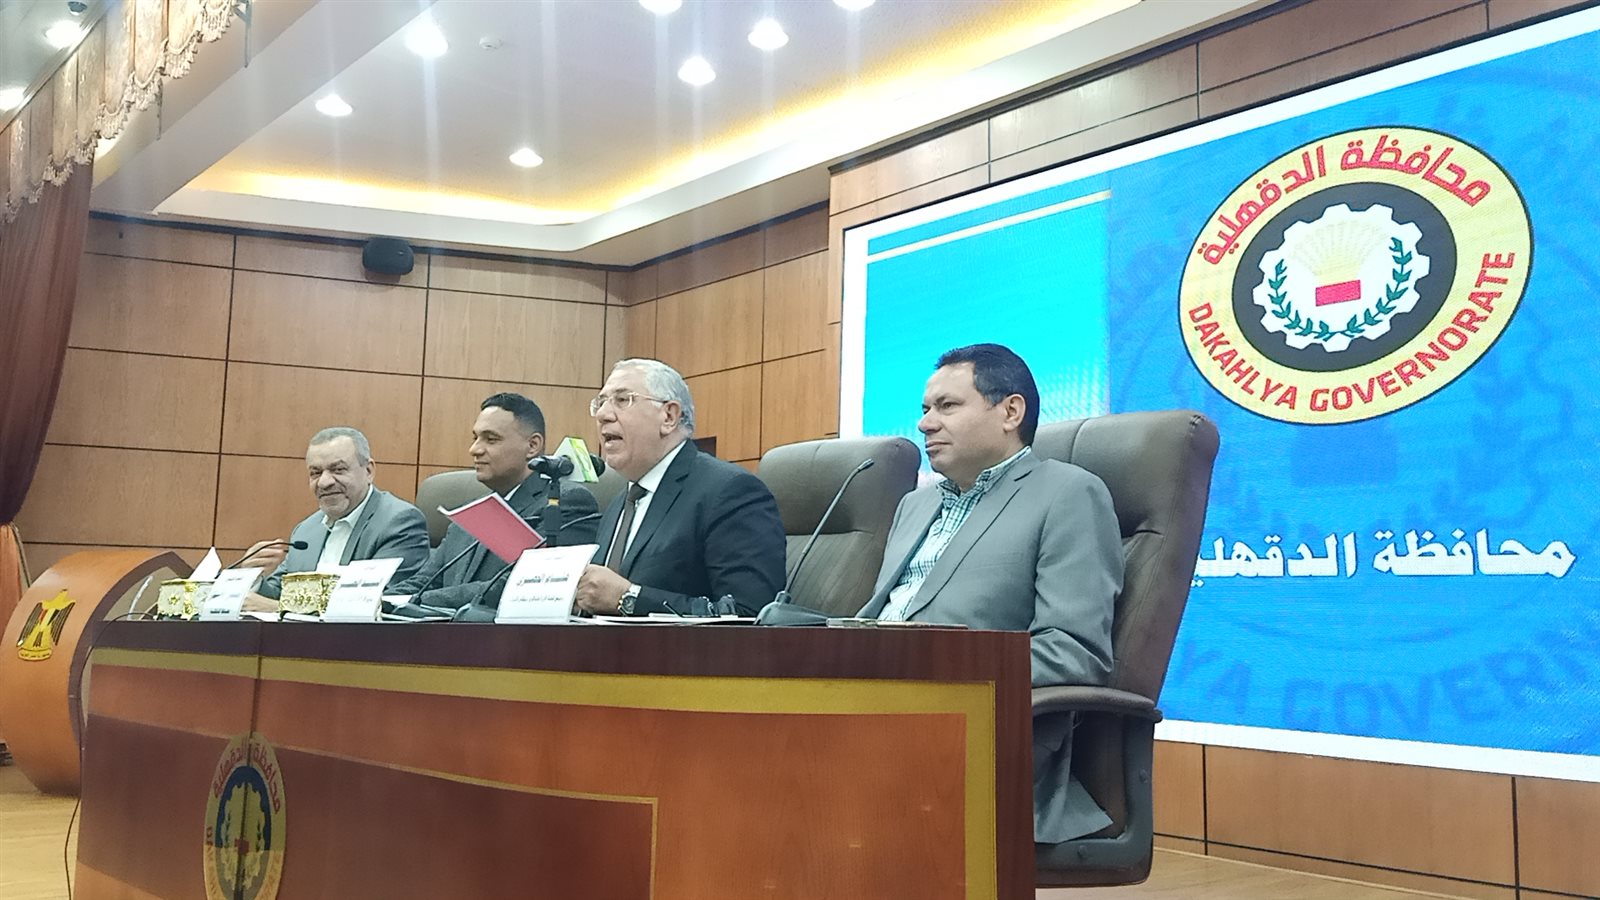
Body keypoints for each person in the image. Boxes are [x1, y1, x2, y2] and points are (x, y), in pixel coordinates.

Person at [857, 343, 1122, 844]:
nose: (925, 424)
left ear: (1010, 412)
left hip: (977, 736)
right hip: (870, 710)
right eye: (925, 409)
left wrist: (928, 665)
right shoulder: (914, 505)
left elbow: (1073, 651)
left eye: (947, 406)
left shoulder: (1068, 493)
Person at [573, 359, 786, 616]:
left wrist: (630, 599)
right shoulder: (620, 503)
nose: (603, 415)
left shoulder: (730, 492)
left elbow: (750, 613)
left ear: (669, 417)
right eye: (601, 402)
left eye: (622, 400)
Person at [390, 392, 599, 610]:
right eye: (475, 438)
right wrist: (380, 600)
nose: (474, 449)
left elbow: (520, 587)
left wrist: (418, 601)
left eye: (491, 439)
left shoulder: (564, 502)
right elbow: (424, 581)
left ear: (532, 446)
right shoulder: (472, 511)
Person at [249, 427, 431, 601]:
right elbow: (277, 595)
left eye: (338, 470)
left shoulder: (399, 522)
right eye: (315, 473)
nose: (324, 482)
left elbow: (377, 602)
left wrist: (277, 607)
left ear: (368, 471)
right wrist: (254, 577)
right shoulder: (305, 531)